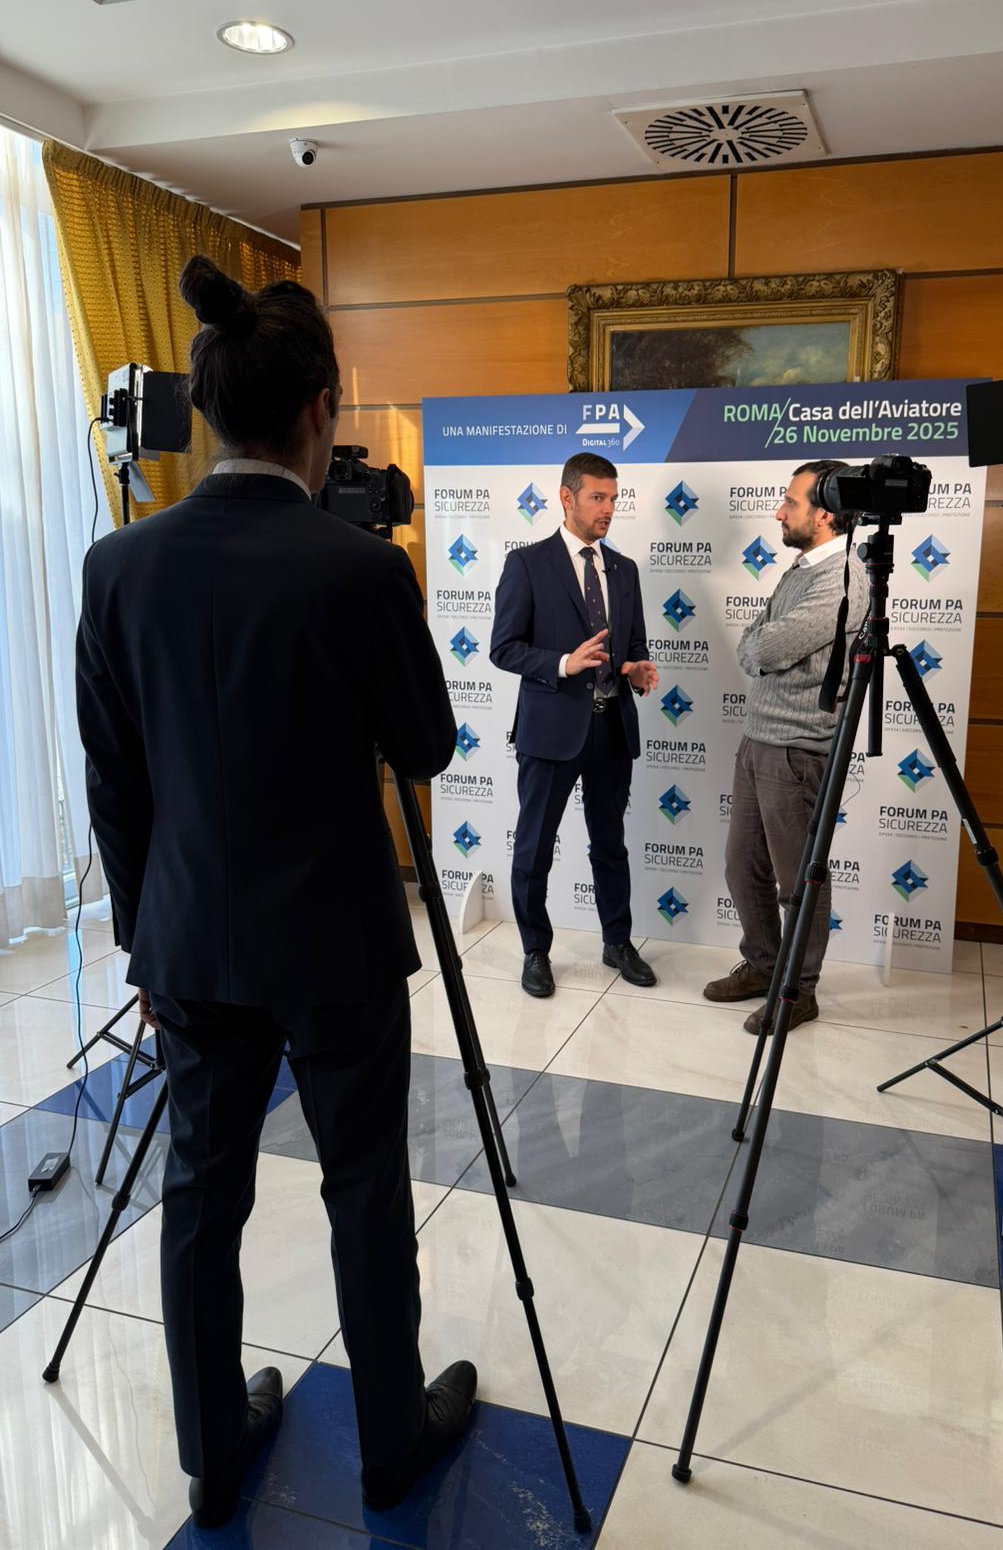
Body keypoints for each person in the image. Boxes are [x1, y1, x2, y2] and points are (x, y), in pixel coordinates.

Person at [76, 256, 473, 1528]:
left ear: (207, 412)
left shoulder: (116, 565)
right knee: (365, 1187)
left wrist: (145, 938)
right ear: (318, 409)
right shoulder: (359, 569)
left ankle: (210, 1455)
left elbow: (113, 778)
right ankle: (391, 1441)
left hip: (188, 940)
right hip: (339, 945)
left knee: (202, 1194)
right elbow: (425, 747)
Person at [703, 460, 868, 1034]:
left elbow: (763, 650)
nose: (778, 512)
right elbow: (756, 641)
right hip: (759, 739)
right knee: (741, 865)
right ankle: (764, 966)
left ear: (824, 514)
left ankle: (799, 990)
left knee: (798, 881)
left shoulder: (843, 579)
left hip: (796, 750)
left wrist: (761, 646)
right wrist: (761, 645)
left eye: (790, 503)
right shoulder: (802, 569)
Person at [490, 452, 659, 998]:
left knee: (610, 844)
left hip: (612, 730)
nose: (608, 509)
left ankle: (618, 942)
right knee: (534, 848)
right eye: (597, 498)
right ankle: (535, 950)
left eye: (614, 499)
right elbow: (503, 648)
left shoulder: (625, 569)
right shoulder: (527, 564)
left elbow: (634, 643)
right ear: (567, 498)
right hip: (550, 732)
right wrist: (564, 663)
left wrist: (634, 667)